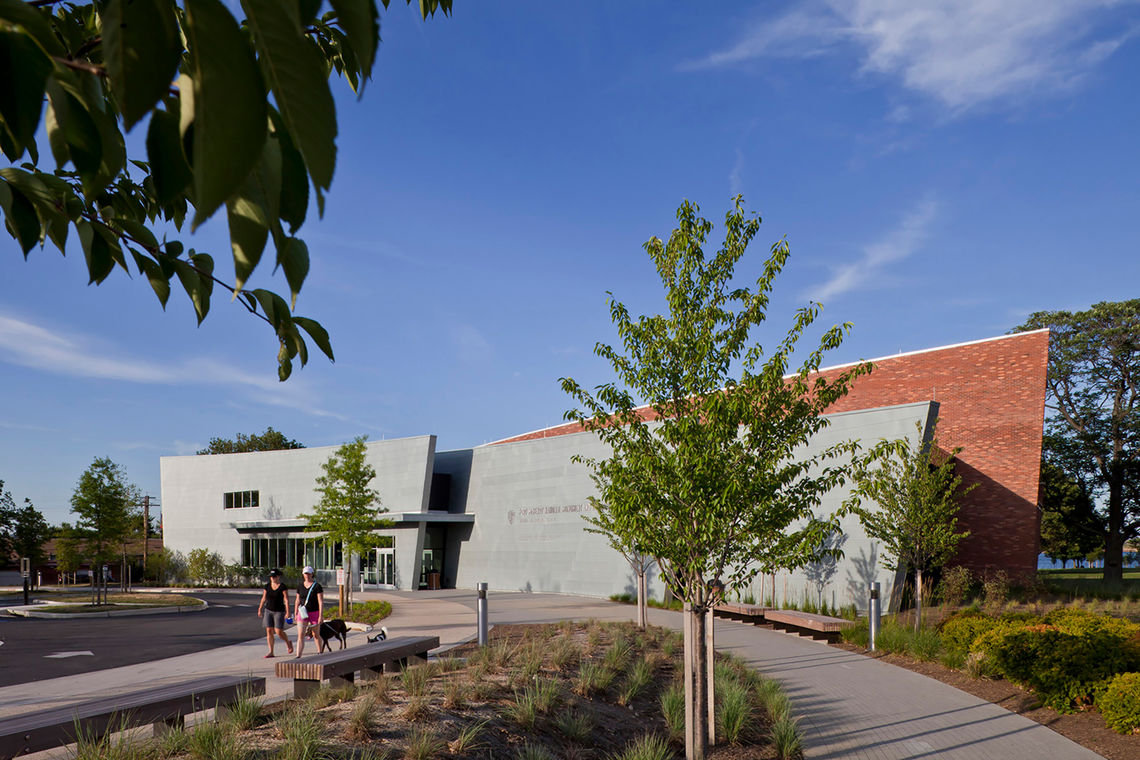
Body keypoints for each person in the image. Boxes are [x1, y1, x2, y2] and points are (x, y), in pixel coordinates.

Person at [256, 569, 293, 658]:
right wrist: (260, 609)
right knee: (269, 630)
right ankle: (271, 651)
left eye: (274, 577)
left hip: (279, 611)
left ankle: (288, 642)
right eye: (271, 577)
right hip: (268, 610)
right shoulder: (267, 586)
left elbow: (286, 600)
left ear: (278, 577)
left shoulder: (282, 587)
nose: (272, 578)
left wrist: (288, 612)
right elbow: (263, 598)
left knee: (278, 632)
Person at [294, 565, 324, 658]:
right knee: (301, 634)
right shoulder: (300, 586)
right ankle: (298, 655)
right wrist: (295, 612)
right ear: (303, 574)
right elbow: (297, 600)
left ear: (312, 574)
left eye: (308, 573)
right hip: (303, 612)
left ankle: (320, 651)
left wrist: (320, 615)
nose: (307, 575)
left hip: (314, 612)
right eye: (305, 573)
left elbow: (320, 601)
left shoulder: (317, 586)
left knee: (315, 634)